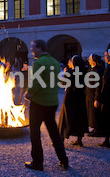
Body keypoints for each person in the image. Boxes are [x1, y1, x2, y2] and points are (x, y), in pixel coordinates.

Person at [25, 40, 68, 171]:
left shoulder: (39, 63)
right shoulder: (55, 62)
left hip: (39, 103)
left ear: (40, 48)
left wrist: (29, 93)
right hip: (52, 102)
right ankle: (64, 160)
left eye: (33, 48)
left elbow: (36, 82)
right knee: (54, 133)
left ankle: (38, 162)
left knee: (35, 133)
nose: (31, 51)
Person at [58, 55, 88, 147]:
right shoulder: (84, 72)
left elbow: (63, 83)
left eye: (70, 61)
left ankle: (61, 140)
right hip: (80, 98)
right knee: (79, 118)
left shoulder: (70, 72)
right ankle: (79, 140)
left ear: (74, 63)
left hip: (70, 98)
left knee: (65, 117)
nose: (68, 63)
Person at [85, 54, 104, 137]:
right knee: (91, 113)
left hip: (94, 95)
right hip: (89, 94)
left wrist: (97, 98)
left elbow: (98, 85)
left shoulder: (98, 70)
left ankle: (98, 130)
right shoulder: (90, 69)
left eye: (89, 59)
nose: (88, 60)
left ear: (93, 60)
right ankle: (94, 128)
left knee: (95, 113)